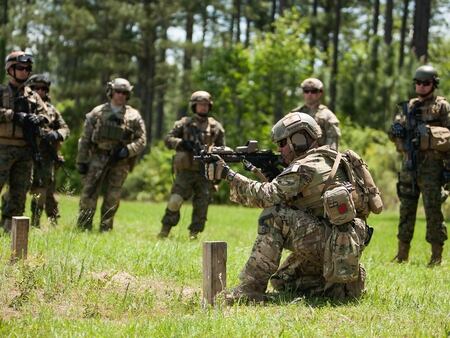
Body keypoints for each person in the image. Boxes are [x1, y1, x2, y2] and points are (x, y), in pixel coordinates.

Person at [205, 112, 372, 302]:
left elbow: (266, 197)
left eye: (283, 143)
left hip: (330, 243)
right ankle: (337, 288)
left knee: (275, 216)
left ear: (299, 139)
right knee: (283, 281)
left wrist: (228, 175)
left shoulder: (305, 166)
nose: (280, 149)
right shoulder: (330, 158)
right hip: (341, 245)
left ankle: (249, 290)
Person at [389, 65, 449, 266]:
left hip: (432, 167)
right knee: (406, 208)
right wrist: (396, 131)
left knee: (433, 210)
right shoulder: (408, 107)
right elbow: (394, 132)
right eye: (418, 83)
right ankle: (402, 254)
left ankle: (436, 256)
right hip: (409, 165)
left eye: (426, 83)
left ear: (434, 84)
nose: (421, 86)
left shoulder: (441, 107)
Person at [76, 78, 146, 232]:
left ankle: (105, 228)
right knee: (89, 192)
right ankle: (83, 226)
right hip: (97, 158)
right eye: (118, 92)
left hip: (120, 162)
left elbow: (141, 140)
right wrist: (81, 161)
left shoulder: (133, 115)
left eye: (124, 93)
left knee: (113, 196)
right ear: (111, 92)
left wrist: (128, 150)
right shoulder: (97, 112)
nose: (120, 95)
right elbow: (85, 138)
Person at [158, 91, 225, 239]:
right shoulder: (184, 124)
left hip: (206, 172)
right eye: (200, 104)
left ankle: (193, 235)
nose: (203, 107)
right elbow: (168, 139)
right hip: (186, 171)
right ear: (194, 106)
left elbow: (222, 152)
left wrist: (217, 177)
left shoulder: (216, 127)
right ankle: (165, 231)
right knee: (175, 201)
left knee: (202, 206)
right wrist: (182, 143)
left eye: (206, 105)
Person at [0, 51, 49, 232]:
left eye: (27, 68)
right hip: (2, 147)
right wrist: (14, 116)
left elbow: (46, 116)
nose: (24, 71)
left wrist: (38, 119)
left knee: (19, 195)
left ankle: (9, 234)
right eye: (20, 68)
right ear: (10, 69)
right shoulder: (1, 91)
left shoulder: (33, 96)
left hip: (24, 151)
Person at [26, 74, 70, 227]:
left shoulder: (52, 110)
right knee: (17, 187)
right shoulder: (23, 105)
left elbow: (65, 128)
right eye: (36, 88)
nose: (40, 91)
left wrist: (56, 134)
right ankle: (8, 219)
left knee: (43, 189)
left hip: (45, 156)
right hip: (25, 153)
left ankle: (36, 223)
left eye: (43, 88)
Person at [291, 78, 341, 150]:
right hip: (296, 157)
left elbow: (332, 145)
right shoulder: (295, 114)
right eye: (306, 91)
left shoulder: (328, 116)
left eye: (313, 91)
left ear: (320, 93)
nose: (309, 94)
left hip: (318, 157)